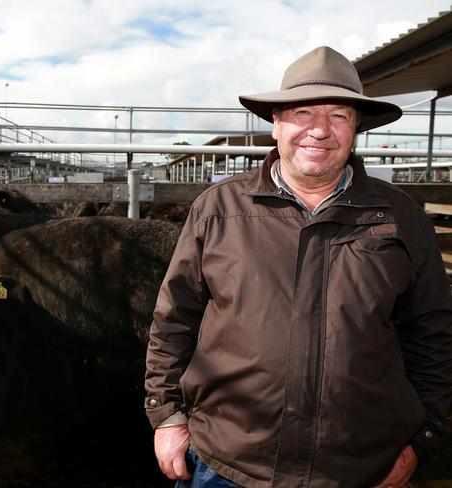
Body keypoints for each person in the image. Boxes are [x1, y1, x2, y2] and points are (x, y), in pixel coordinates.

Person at [144, 46, 452, 488]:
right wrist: (167, 417)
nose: (319, 130)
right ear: (276, 124)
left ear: (356, 128)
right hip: (226, 464)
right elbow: (174, 320)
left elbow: (433, 336)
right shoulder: (219, 209)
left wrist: (422, 440)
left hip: (360, 468)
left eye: (339, 116)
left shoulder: (400, 217)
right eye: (303, 112)